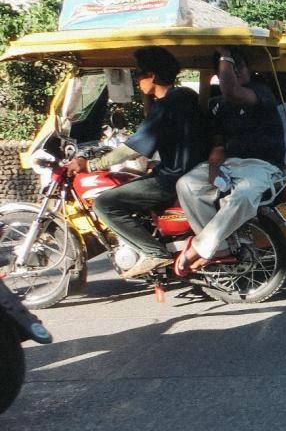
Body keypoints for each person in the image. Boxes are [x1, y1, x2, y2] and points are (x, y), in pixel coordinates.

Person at [67, 47, 209, 279]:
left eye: (139, 75)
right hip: (187, 171)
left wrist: (92, 165)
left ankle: (153, 252)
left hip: (172, 178)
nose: (136, 80)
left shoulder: (167, 106)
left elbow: (132, 148)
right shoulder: (183, 97)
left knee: (104, 204)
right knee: (133, 180)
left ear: (152, 75)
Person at [174, 46, 286, 275]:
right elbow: (215, 133)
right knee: (186, 184)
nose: (235, 72)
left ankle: (199, 247)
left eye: (239, 66)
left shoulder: (260, 91)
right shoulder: (221, 105)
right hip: (229, 164)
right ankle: (220, 248)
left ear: (249, 68)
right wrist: (215, 160)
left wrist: (225, 54)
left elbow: (232, 91)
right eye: (230, 68)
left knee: (243, 196)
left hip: (261, 165)